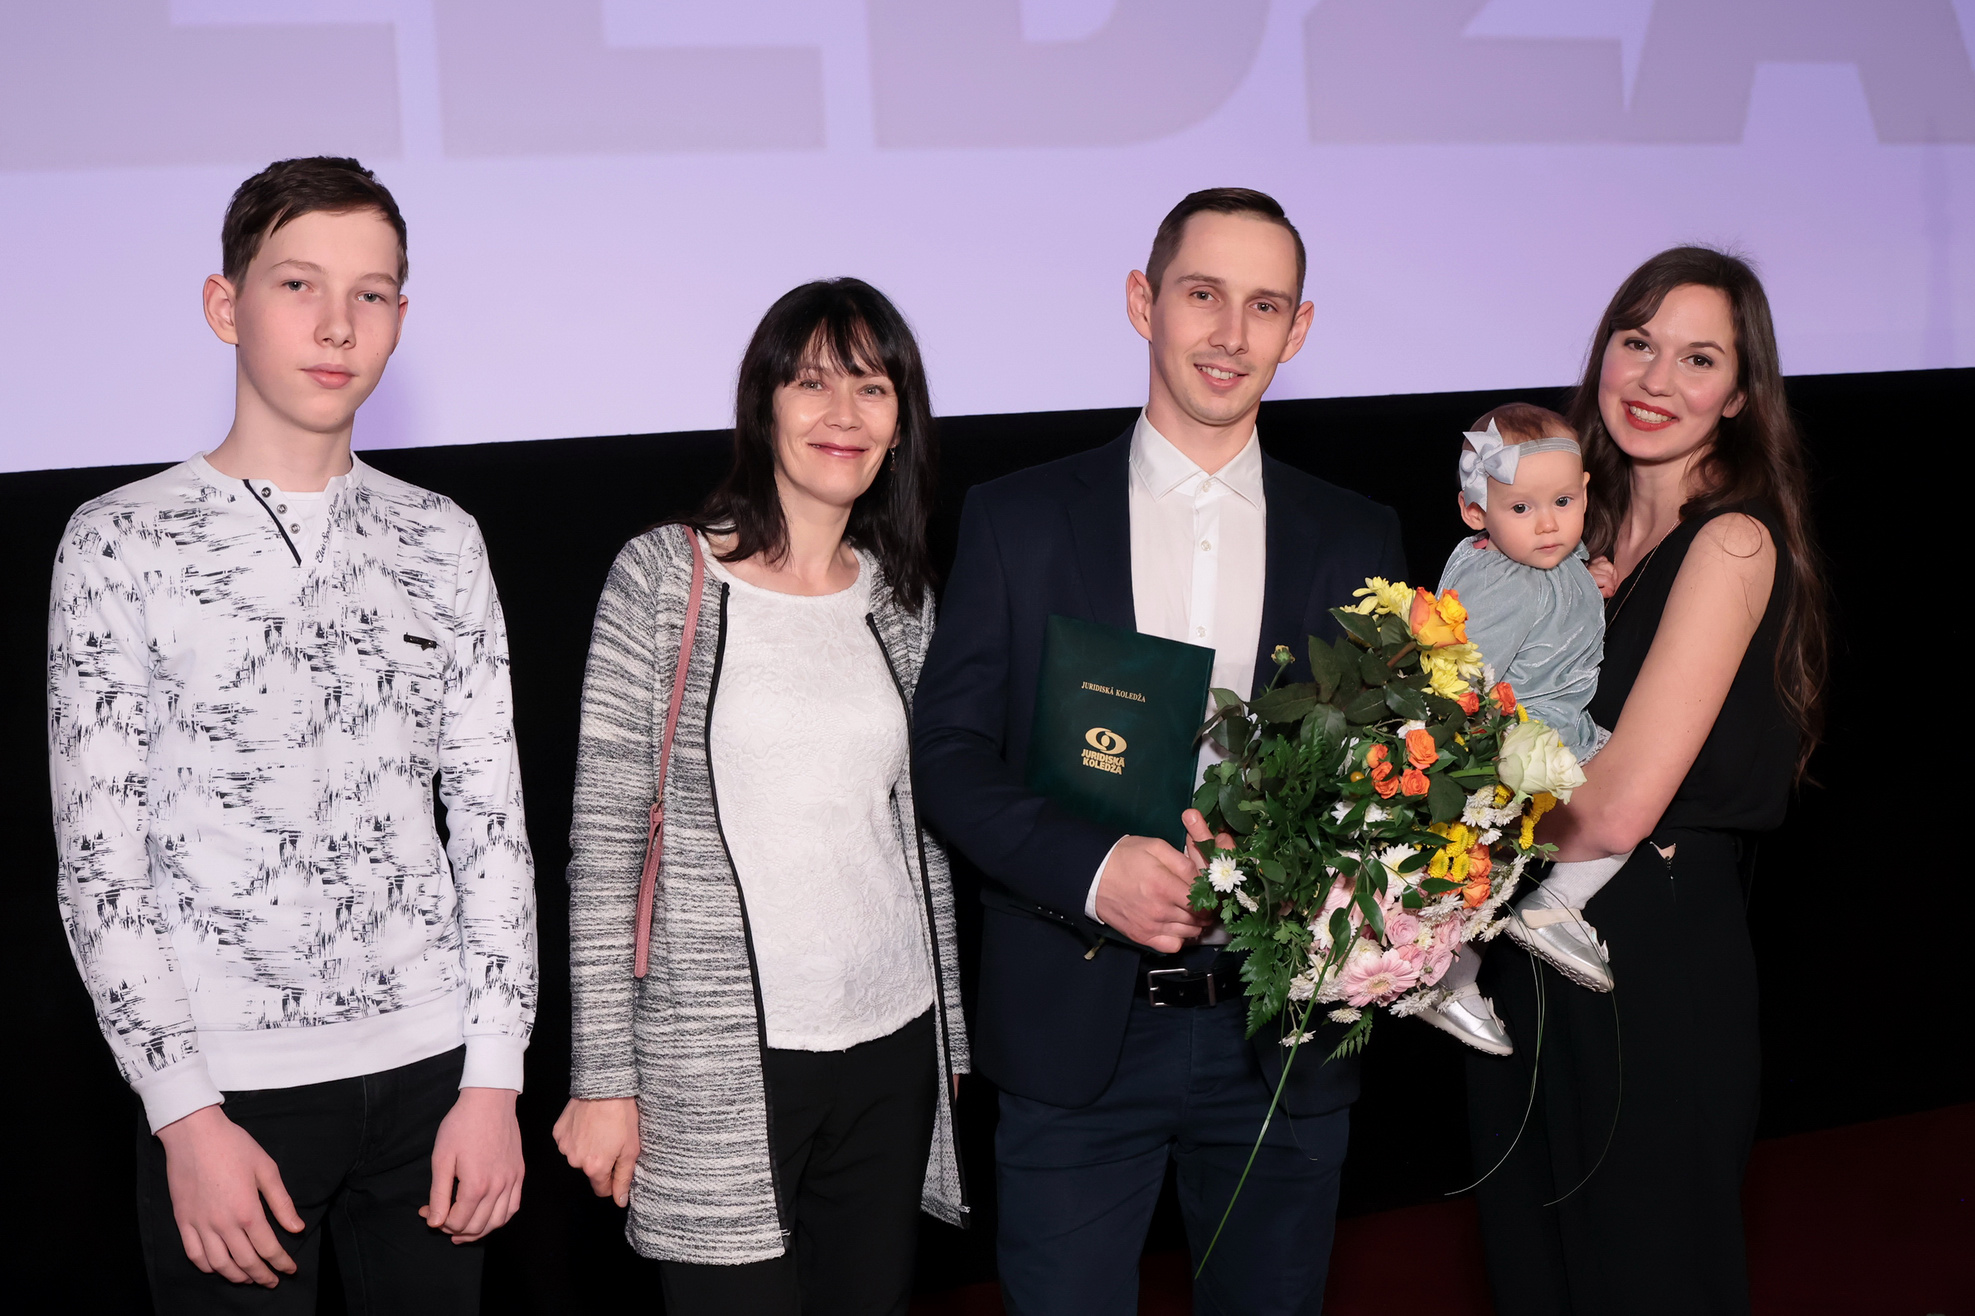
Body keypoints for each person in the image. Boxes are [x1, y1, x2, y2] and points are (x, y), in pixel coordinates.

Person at [47, 157, 537, 1313]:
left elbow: (490, 822)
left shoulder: (442, 536)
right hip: (230, 1095)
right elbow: (100, 863)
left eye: (370, 293)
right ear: (226, 305)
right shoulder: (120, 540)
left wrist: (494, 1079)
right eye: (298, 284)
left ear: (401, 317)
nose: (336, 325)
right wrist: (183, 1110)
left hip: (436, 1085)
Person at [913, 188, 1406, 1316]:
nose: (1229, 334)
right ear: (1143, 303)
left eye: (1263, 305)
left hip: (1281, 1035)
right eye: (1201, 294)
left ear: (1299, 329)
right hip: (1076, 1025)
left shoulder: (1357, 534)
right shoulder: (1018, 517)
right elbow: (946, 752)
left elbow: (1388, 774)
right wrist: (1094, 871)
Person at [553, 278, 968, 1316]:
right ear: (764, 403)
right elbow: (605, 849)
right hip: (719, 1059)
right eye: (812, 382)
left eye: (870, 387)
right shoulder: (664, 577)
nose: (842, 413)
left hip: (891, 1044)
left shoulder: (903, 597)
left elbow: (922, 835)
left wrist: (949, 1037)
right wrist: (603, 1078)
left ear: (899, 422)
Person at [1465, 247, 1827, 1315]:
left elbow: (1619, 804)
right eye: (1637, 342)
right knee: (1535, 1273)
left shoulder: (1732, 544)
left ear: (1740, 395)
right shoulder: (1561, 535)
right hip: (1522, 947)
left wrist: (1435, 835)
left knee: (1647, 1277)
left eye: (1698, 358)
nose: (1656, 379)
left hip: (1649, 968)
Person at [1418, 402, 1631, 1055]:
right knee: (1625, 806)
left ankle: (1451, 978)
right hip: (1527, 736)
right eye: (1521, 508)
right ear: (1474, 512)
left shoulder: (1539, 557)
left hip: (1539, 732)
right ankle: (1546, 912)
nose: (1547, 524)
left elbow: (1560, 562)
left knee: (1485, 873)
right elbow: (1463, 672)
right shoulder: (1509, 584)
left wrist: (1588, 574)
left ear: (1585, 491)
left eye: (1563, 502)